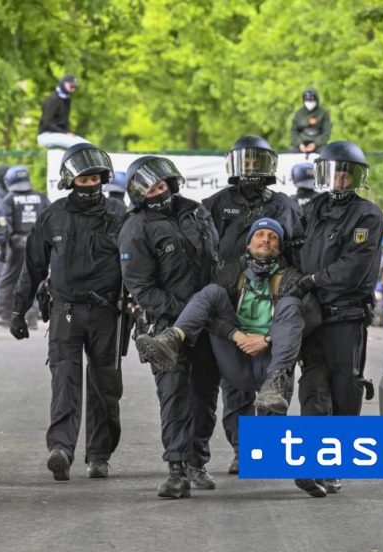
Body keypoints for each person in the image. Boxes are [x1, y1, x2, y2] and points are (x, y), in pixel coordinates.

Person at [9, 144, 125, 482]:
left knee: (105, 387)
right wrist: (18, 310)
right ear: (69, 181)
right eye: (82, 179)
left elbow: (137, 265)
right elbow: (33, 265)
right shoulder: (53, 215)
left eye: (94, 179)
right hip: (65, 312)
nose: (89, 185)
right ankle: (60, 450)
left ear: (103, 179)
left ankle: (99, 456)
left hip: (107, 314)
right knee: (64, 382)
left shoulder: (119, 214)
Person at [135, 218, 309, 417]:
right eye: (259, 235)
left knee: (293, 304)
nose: (265, 240)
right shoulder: (230, 273)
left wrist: (267, 339)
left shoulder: (292, 278)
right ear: (248, 244)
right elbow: (205, 313)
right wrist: (234, 334)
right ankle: (172, 339)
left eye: (273, 236)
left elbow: (307, 318)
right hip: (235, 355)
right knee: (212, 292)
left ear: (280, 247)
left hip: (272, 362)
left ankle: (275, 384)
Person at [118, 155, 219, 498]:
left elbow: (215, 259)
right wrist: (186, 311)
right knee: (174, 394)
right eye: (150, 189)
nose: (158, 192)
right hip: (164, 325)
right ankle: (177, 470)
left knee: (205, 394)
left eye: (161, 185)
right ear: (138, 195)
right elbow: (141, 288)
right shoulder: (135, 227)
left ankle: (197, 463)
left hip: (207, 322)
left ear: (171, 183)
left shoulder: (197, 211)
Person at [203, 135, 304, 474]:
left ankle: (268, 447)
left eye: (257, 162)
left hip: (275, 295)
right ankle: (243, 448)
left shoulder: (284, 204)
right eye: (245, 161)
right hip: (234, 300)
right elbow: (204, 251)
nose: (251, 169)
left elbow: (297, 251)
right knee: (234, 383)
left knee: (277, 375)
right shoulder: (216, 204)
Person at [295, 141, 383, 497]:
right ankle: (312, 464)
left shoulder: (367, 215)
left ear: (357, 178)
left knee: (344, 392)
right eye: (334, 174)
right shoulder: (311, 209)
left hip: (346, 318)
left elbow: (353, 268)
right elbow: (294, 250)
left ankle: (333, 466)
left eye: (347, 175)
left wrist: (314, 280)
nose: (340, 181)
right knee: (313, 389)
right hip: (312, 316)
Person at [0, 166, 50, 326]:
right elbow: (50, 218)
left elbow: (5, 225)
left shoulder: (9, 198)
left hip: (17, 246)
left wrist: (5, 246)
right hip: (37, 244)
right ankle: (32, 317)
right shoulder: (40, 197)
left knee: (8, 280)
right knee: (35, 279)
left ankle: (5, 315)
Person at [37, 74, 89, 149]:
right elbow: (47, 123)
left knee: (87, 144)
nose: (73, 89)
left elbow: (65, 122)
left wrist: (68, 132)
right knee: (81, 145)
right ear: (64, 83)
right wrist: (65, 133)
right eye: (71, 86)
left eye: (75, 87)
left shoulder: (67, 100)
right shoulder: (53, 99)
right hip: (46, 135)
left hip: (60, 134)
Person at [290, 88, 332, 153]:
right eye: (307, 101)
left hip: (318, 143)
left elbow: (326, 132)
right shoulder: (298, 113)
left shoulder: (323, 113)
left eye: (311, 101)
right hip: (301, 142)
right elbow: (293, 131)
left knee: (325, 153)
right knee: (291, 152)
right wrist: (299, 144)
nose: (309, 103)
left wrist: (316, 143)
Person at [0, 164, 9, 309]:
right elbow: (2, 216)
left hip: (2, 237)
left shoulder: (3, 191)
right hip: (0, 239)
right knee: (0, 272)